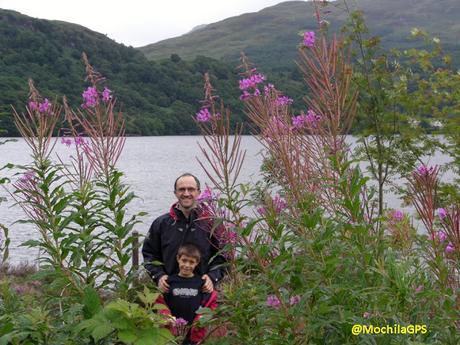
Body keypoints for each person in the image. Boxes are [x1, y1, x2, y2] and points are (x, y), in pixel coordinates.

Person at [142, 173, 226, 295]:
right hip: (169, 292)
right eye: (181, 189)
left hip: (203, 292)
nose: (186, 193)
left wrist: (212, 277)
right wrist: (159, 276)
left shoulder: (212, 223)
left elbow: (223, 256)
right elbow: (149, 255)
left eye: (191, 189)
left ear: (198, 192)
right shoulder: (161, 224)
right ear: (175, 193)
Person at [155, 243, 218, 345]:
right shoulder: (168, 282)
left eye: (191, 262)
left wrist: (204, 317)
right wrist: (166, 316)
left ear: (197, 263)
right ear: (178, 258)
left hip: (194, 334)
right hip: (172, 334)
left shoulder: (201, 283)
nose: (187, 265)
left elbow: (212, 301)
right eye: (184, 260)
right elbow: (160, 302)